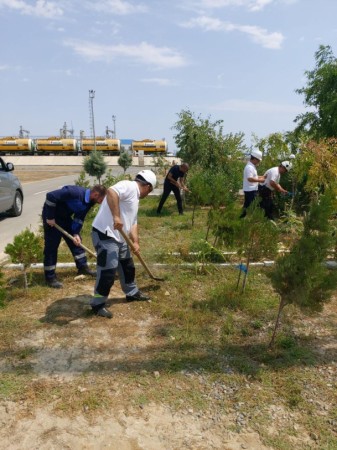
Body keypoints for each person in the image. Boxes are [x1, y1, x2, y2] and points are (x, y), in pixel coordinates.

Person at [90, 170, 157, 319]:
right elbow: (111, 192)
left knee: (127, 266)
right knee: (108, 271)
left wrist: (135, 242)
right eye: (150, 190)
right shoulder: (129, 186)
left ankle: (132, 293)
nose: (148, 193)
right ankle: (97, 304)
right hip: (105, 234)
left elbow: (133, 223)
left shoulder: (135, 199)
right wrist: (116, 216)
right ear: (147, 186)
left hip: (120, 237)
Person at [43, 184, 107, 289]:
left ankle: (82, 267)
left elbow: (79, 218)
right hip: (52, 218)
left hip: (65, 217)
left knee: (76, 242)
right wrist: (50, 217)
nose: (101, 203)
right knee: (52, 246)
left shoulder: (89, 202)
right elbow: (51, 196)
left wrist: (76, 233)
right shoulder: (73, 192)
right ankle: (50, 277)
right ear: (96, 194)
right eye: (101, 199)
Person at [240, 149, 265, 218]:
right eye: (259, 160)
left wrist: (263, 176)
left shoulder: (252, 166)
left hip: (250, 189)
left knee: (247, 205)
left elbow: (254, 176)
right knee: (253, 206)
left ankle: (241, 218)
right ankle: (252, 220)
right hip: (250, 190)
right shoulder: (249, 167)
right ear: (255, 159)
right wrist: (260, 180)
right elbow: (250, 178)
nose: (259, 162)